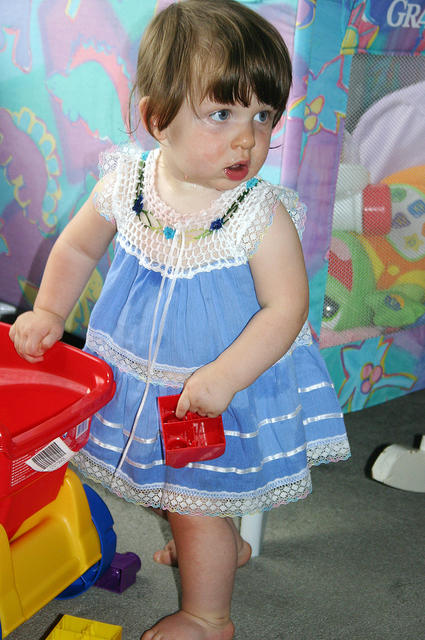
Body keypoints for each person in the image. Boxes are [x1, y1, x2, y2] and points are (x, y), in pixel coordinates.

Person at [9, 1, 350, 638]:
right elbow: (80, 246)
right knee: (175, 491)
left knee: (192, 505)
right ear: (156, 119)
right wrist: (50, 311)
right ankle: (220, 544)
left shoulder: (258, 212)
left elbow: (287, 307)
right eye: (222, 113)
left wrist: (225, 377)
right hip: (142, 373)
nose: (248, 137)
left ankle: (207, 615)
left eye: (262, 115)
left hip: (221, 386)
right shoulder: (127, 184)